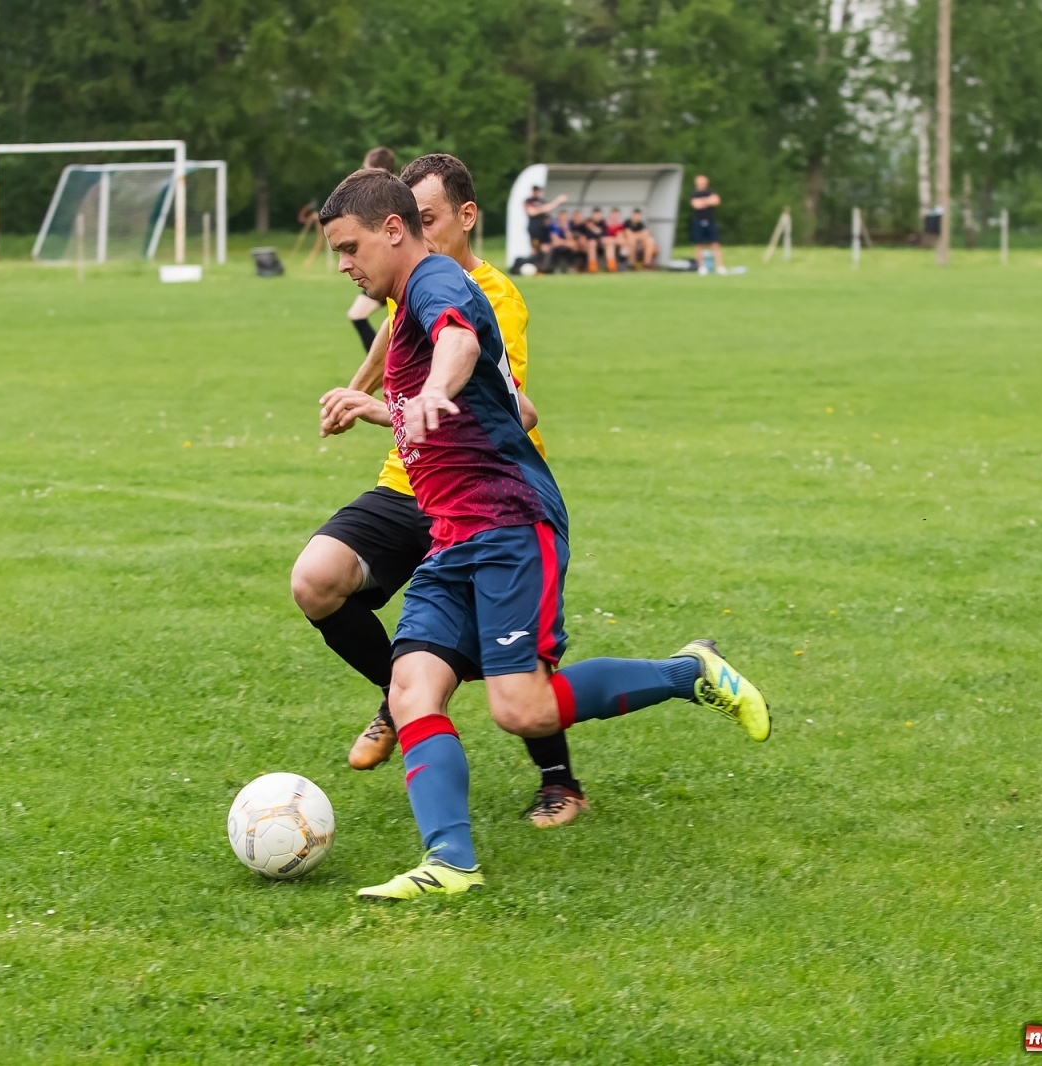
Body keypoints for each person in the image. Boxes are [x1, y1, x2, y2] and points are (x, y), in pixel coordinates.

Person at [316, 167, 772, 900]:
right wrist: (379, 408)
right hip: (450, 531)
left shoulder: (436, 284)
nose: (343, 264)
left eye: (348, 246)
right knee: (411, 688)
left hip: (506, 523)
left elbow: (461, 346)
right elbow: (503, 410)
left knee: (518, 708)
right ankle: (450, 864)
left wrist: (437, 386)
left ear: (393, 230)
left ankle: (689, 673)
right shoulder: (406, 306)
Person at [295, 153, 585, 828]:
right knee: (316, 580)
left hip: (485, 490)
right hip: (409, 484)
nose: (422, 231)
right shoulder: (408, 291)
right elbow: (395, 338)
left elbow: (513, 403)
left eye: (429, 219)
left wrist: (430, 395)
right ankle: (401, 701)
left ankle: (557, 777)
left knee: (514, 677)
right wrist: (360, 395)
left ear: (459, 219)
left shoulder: (482, 294)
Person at [345, 146, 398, 351]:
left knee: (358, 315)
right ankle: (385, 368)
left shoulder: (384, 201)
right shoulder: (391, 197)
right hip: (384, 269)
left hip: (387, 270)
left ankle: (384, 368)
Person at [690, 175, 725, 272]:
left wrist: (703, 202)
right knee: (699, 244)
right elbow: (696, 205)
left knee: (715, 243)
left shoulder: (711, 191)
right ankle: (701, 267)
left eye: (703, 181)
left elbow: (716, 201)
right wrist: (708, 200)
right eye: (699, 182)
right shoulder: (694, 193)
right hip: (698, 221)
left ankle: (719, 266)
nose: (701, 183)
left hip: (710, 220)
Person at [523, 185, 566, 258]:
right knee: (535, 247)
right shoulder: (528, 201)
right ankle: (534, 262)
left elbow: (548, 210)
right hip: (534, 230)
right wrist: (547, 207)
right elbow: (532, 212)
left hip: (543, 230)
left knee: (545, 247)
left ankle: (543, 265)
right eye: (535, 191)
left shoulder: (542, 201)